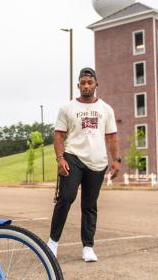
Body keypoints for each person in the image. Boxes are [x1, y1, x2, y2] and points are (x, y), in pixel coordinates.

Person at [47, 67, 119, 262]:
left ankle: (88, 247)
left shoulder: (106, 109)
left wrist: (116, 160)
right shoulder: (67, 108)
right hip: (73, 157)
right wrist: (60, 158)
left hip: (97, 162)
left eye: (90, 82)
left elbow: (111, 137)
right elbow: (59, 135)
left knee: (89, 205)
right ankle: (52, 243)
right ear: (78, 85)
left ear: (96, 85)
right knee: (66, 197)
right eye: (83, 83)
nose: (86, 86)